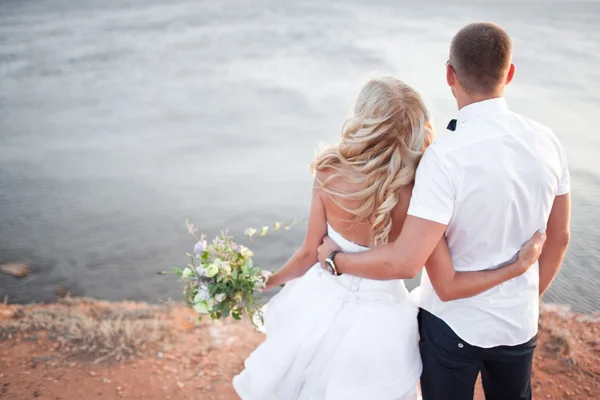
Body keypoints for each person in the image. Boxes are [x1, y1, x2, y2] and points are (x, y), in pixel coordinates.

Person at [232, 75, 546, 400]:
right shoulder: (418, 191)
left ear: (364, 118)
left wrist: (268, 280)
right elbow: (421, 266)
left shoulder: (328, 172)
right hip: (380, 321)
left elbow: (309, 252)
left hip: (319, 299)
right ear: (416, 127)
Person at [317, 22, 571, 400]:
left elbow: (414, 266)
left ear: (450, 74)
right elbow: (560, 237)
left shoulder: (444, 157)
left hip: (453, 329)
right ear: (510, 73)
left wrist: (337, 259)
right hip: (519, 326)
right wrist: (525, 297)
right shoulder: (547, 140)